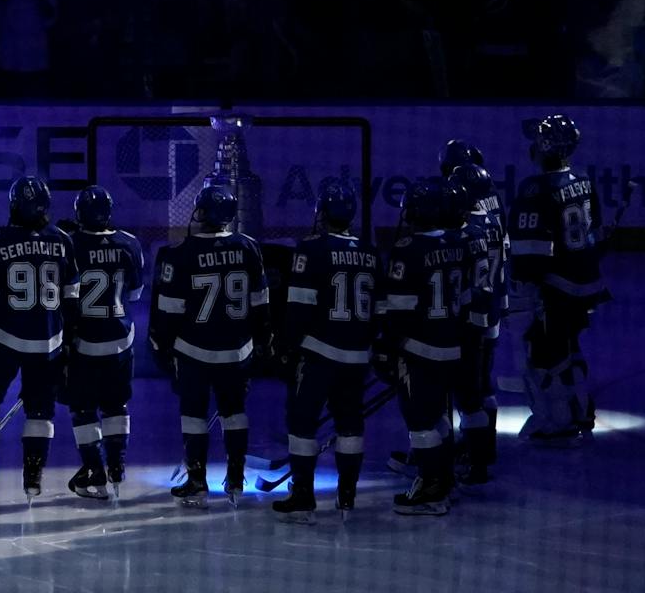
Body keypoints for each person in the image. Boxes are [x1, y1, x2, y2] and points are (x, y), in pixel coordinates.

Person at [0, 176, 76, 505]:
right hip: (48, 343)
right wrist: (67, 341)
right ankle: (33, 478)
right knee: (41, 412)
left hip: (4, 341)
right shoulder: (63, 241)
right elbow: (72, 301)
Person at [149, 182, 267, 508]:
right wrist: (261, 343)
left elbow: (169, 311)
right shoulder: (248, 247)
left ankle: (197, 481)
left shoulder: (180, 252)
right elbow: (260, 304)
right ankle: (236, 477)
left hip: (193, 351)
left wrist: (162, 347)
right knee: (235, 413)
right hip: (236, 350)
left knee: (193, 415)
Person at [271, 178, 376, 523]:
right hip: (357, 355)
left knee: (302, 422)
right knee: (350, 424)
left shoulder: (311, 249)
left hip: (319, 354)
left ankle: (303, 495)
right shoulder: (369, 251)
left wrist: (285, 345)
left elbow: (299, 306)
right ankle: (347, 495)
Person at [376, 175, 480, 515]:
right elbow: (465, 301)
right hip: (451, 345)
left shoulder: (409, 250)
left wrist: (386, 347)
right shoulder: (460, 243)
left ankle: (432, 486)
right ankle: (443, 478)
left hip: (419, 348)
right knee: (438, 416)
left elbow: (399, 309)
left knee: (420, 419)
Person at [510, 112, 609, 442]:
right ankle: (582, 408)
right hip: (587, 282)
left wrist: (525, 288)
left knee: (543, 353)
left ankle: (559, 420)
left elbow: (529, 250)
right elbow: (595, 231)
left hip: (556, 286)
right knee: (570, 345)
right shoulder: (583, 179)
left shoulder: (535, 188)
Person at [61, 183, 143, 501]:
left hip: (85, 340)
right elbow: (134, 293)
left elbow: (64, 297)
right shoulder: (130, 244)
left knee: (82, 408)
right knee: (116, 405)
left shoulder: (70, 244)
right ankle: (117, 465)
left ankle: (93, 468)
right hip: (120, 338)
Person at [450, 160, 507, 480]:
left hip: (470, 321)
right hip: (492, 312)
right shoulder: (494, 221)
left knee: (467, 394)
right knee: (483, 385)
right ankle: (485, 449)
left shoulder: (463, 231)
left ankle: (477, 458)